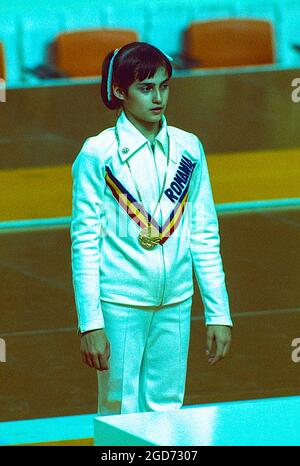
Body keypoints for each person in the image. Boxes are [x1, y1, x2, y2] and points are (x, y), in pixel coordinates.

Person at [70, 42, 233, 416]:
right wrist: (90, 323)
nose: (158, 97)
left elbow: (205, 234)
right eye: (146, 88)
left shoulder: (189, 148)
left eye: (164, 86)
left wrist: (218, 313)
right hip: (120, 303)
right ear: (119, 91)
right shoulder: (98, 153)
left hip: (176, 301)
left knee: (168, 411)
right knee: (119, 410)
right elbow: (84, 244)